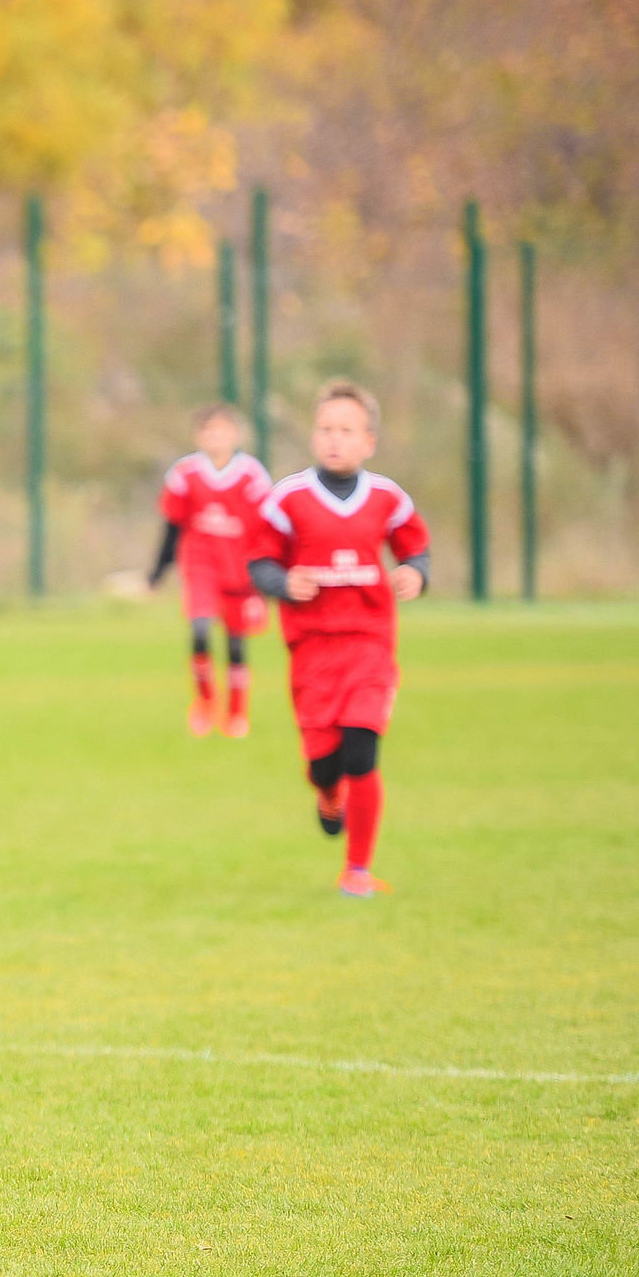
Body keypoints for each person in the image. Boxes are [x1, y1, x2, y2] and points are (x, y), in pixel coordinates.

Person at [247, 380, 430, 898]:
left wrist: (415, 574)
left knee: (361, 753)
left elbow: (414, 548)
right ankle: (329, 796)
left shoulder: (388, 498)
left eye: (346, 430)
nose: (335, 439)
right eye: (326, 429)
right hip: (311, 650)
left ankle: (358, 870)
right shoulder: (289, 497)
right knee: (325, 764)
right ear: (313, 436)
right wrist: (283, 583)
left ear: (368, 441)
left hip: (369, 644)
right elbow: (259, 561)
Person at [149, 404, 274, 736]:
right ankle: (205, 702)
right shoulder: (184, 474)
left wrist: (269, 574)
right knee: (201, 631)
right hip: (200, 566)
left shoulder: (253, 476)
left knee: (236, 645)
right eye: (208, 431)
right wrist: (158, 571)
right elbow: (173, 526)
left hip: (240, 572)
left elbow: (267, 530)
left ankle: (236, 711)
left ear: (235, 434)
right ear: (198, 436)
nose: (215, 438)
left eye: (222, 430)